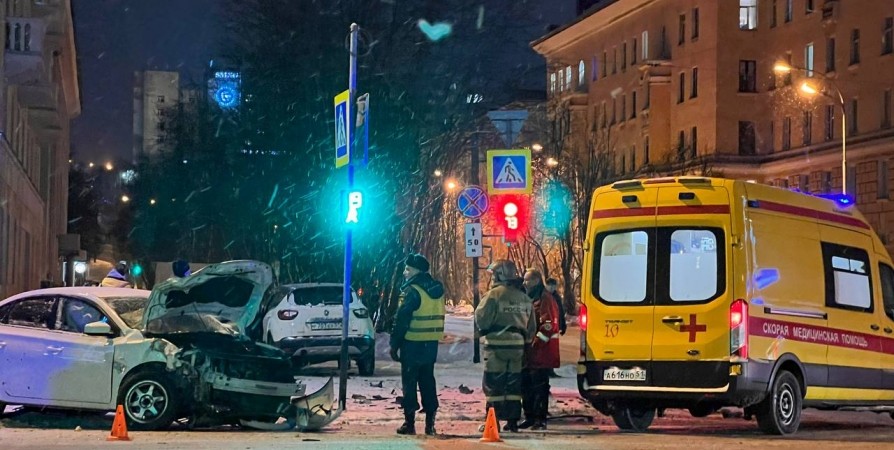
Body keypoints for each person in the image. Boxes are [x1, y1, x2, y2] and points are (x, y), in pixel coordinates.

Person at [389, 253, 446, 436]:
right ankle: (430, 423)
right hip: (430, 344)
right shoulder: (437, 289)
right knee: (428, 381)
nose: (405, 272)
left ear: (417, 271)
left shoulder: (412, 291)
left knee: (410, 382)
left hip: (412, 342)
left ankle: (409, 423)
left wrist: (394, 343)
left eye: (408, 269)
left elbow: (402, 320)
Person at [475, 259, 533, 432]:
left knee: (494, 384)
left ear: (500, 275)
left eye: (494, 274)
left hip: (496, 346)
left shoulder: (493, 295)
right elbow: (531, 327)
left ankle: (493, 421)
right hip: (517, 348)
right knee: (513, 385)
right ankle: (513, 421)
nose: (492, 278)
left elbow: (482, 319)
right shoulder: (524, 298)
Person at [520, 269, 561, 430]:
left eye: (527, 280)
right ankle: (530, 416)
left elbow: (548, 326)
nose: (524, 283)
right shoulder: (531, 298)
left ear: (536, 281)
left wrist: (535, 343)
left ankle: (539, 418)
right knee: (527, 384)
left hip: (542, 352)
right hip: (531, 352)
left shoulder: (545, 299)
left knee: (539, 386)